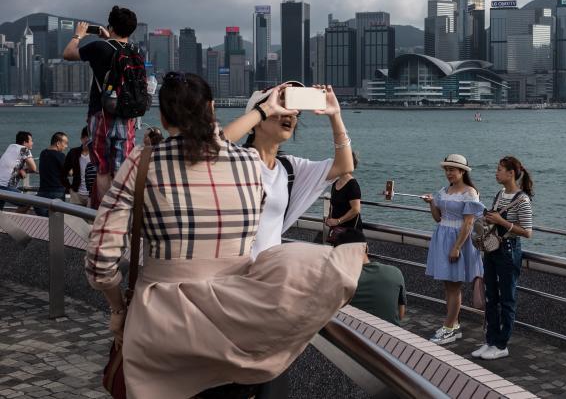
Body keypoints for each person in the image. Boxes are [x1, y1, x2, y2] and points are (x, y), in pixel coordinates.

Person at [84, 72, 364, 398]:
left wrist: (118, 310)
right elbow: (218, 146)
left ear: (162, 115)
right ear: (213, 108)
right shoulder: (248, 163)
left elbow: (101, 260)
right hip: (239, 318)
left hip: (161, 321)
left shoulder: (142, 162)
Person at [222, 82, 355, 257]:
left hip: (267, 275)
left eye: (294, 111)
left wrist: (335, 116)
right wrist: (266, 109)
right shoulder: (235, 160)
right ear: (257, 119)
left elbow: (344, 166)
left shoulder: (289, 168)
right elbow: (211, 146)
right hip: (230, 273)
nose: (290, 115)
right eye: (280, 106)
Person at [63, 6, 141, 207]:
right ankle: (121, 211)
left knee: (103, 168)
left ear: (111, 26)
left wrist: (78, 35)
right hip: (128, 117)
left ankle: (104, 213)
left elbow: (68, 54)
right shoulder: (135, 51)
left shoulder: (99, 47)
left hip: (102, 115)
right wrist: (110, 38)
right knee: (121, 168)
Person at [471, 156, 534, 361]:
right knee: (491, 296)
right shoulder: (500, 195)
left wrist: (501, 221)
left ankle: (501, 343)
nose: (496, 173)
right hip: (492, 249)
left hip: (508, 250)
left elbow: (527, 232)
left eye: (499, 170)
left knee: (507, 298)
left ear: (511, 173)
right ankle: (490, 340)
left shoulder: (522, 199)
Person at [421, 154, 484, 345]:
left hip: (458, 240)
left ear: (462, 171)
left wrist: (456, 247)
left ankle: (449, 327)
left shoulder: (470, 192)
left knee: (455, 285)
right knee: (448, 285)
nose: (449, 173)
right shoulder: (444, 190)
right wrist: (432, 203)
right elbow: (438, 218)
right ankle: (453, 325)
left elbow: (468, 223)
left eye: (452, 169)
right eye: (447, 169)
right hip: (442, 237)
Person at [334, 230, 407, 325]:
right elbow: (401, 314)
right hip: (391, 335)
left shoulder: (339, 279)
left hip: (352, 334)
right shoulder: (395, 272)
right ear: (366, 248)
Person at [326, 151, 363, 245]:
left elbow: (356, 209)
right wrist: (329, 218)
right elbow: (333, 205)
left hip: (350, 232)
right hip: (337, 232)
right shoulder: (335, 183)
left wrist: (337, 221)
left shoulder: (352, 185)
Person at [33, 132, 69, 216]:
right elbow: (69, 171)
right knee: (56, 220)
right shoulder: (60, 155)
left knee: (44, 220)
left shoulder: (43, 153)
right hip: (57, 192)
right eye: (65, 143)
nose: (66, 146)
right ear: (58, 143)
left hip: (42, 192)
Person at [0, 131, 36, 211]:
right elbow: (33, 168)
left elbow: (11, 164)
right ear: (24, 142)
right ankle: (15, 223)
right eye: (31, 141)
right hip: (5, 188)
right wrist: (24, 170)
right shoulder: (24, 149)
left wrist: (20, 170)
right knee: (30, 202)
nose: (32, 143)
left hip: (1, 186)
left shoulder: (11, 146)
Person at [61, 127, 92, 207]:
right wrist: (69, 188)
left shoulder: (97, 154)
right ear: (82, 139)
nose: (89, 142)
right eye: (86, 139)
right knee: (76, 219)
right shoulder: (73, 153)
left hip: (93, 195)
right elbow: (63, 173)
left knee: (93, 218)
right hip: (76, 194)